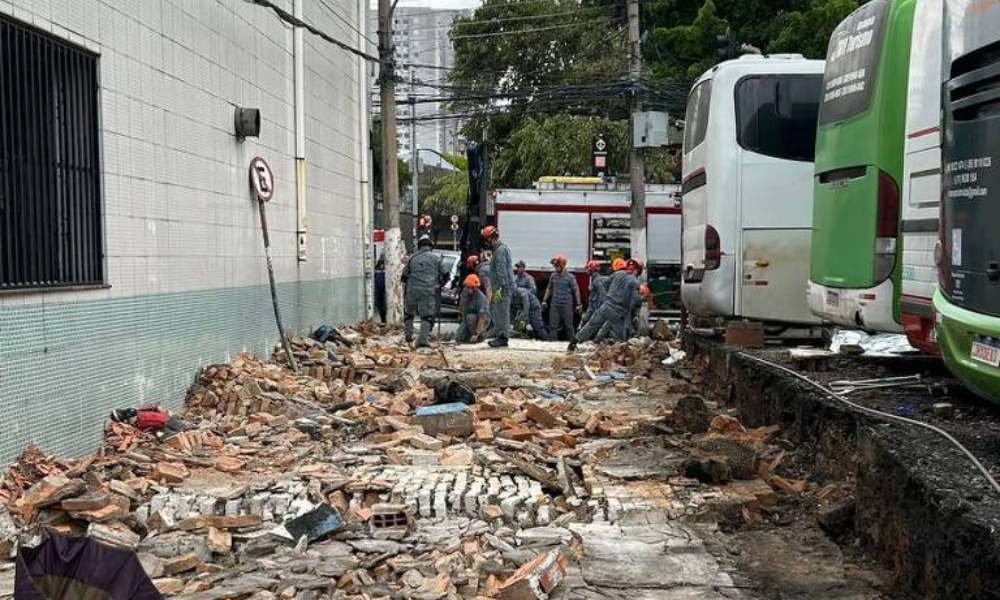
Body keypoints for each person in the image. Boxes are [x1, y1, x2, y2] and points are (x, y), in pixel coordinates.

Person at [570, 258, 643, 350]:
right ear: (638, 270)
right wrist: (641, 299)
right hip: (618, 312)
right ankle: (623, 351)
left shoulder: (618, 274)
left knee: (591, 325)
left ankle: (574, 342)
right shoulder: (635, 282)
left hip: (606, 306)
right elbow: (635, 301)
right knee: (621, 336)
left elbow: (605, 283)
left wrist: (613, 292)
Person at [401, 235, 446, 348]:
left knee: (409, 313)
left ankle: (408, 335)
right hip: (427, 290)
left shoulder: (412, 258)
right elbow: (445, 274)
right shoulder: (436, 258)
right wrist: (441, 284)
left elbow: (404, 276)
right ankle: (422, 339)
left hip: (412, 290)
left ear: (419, 246)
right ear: (430, 246)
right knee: (427, 316)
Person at [484, 225, 514, 348]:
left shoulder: (500, 251)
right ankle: (501, 335)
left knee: (502, 311)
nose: (486, 242)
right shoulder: (500, 250)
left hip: (502, 287)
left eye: (487, 239)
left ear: (491, 238)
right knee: (497, 310)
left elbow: (501, 270)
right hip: (500, 287)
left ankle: (503, 337)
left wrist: (500, 288)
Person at [543, 255, 582, 341]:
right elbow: (549, 288)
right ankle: (552, 344)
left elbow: (576, 290)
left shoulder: (570, 277)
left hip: (566, 305)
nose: (556, 268)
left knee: (569, 326)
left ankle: (571, 344)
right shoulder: (553, 276)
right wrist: (544, 301)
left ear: (563, 265)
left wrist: (579, 304)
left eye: (557, 266)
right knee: (553, 326)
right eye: (555, 266)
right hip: (555, 305)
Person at [455, 274, 490, 344]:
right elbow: (462, 304)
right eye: (467, 287)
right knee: (459, 338)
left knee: (470, 318)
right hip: (468, 318)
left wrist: (477, 333)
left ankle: (481, 335)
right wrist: (460, 315)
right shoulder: (465, 292)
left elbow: (482, 318)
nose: (468, 289)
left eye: (470, 287)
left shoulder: (481, 298)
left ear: (475, 288)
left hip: (481, 319)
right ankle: (468, 334)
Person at [580, 260, 609, 327]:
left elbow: (602, 295)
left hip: (594, 308)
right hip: (593, 307)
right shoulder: (594, 279)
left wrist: (599, 309)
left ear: (592, 269)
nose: (587, 270)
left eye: (588, 268)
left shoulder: (597, 280)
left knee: (586, 323)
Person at [374, 255, 387, 323]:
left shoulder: (387, 266)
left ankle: (384, 319)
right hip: (379, 288)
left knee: (383, 304)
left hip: (384, 288)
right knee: (380, 304)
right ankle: (383, 319)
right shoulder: (376, 267)